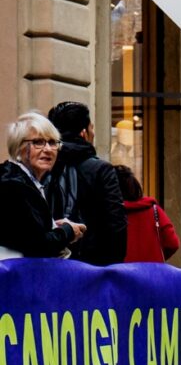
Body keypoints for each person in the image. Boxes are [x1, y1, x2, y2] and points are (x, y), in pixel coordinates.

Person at [44, 101, 125, 265]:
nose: (93, 134)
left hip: (48, 265)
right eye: (92, 128)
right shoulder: (102, 170)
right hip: (92, 269)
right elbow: (116, 228)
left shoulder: (41, 166)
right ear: (84, 133)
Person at [0, 112, 85, 260]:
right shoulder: (13, 185)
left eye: (52, 142)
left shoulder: (27, 181)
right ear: (18, 147)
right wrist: (67, 231)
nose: (48, 149)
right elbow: (37, 246)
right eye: (38, 142)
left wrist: (53, 227)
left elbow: (27, 233)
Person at [115, 164, 179, 263]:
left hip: (121, 275)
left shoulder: (109, 215)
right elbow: (173, 243)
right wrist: (156, 257)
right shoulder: (154, 210)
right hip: (153, 274)